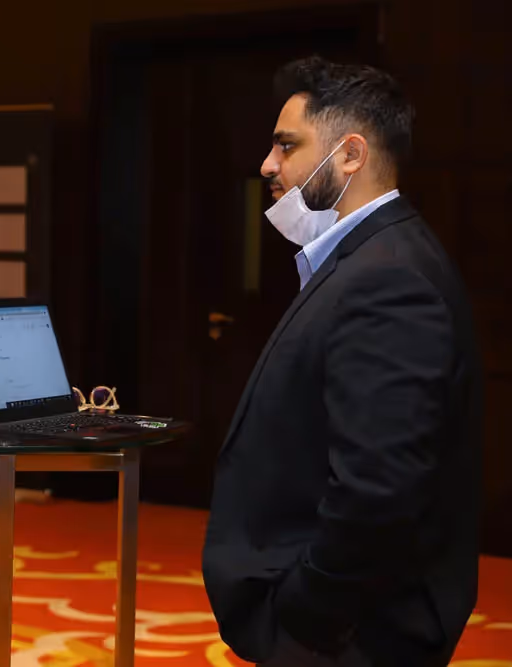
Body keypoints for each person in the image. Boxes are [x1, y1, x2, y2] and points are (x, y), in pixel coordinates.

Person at [202, 56, 482, 666]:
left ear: (349, 154)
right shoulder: (369, 258)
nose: (267, 165)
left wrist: (307, 614)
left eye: (286, 146)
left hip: (355, 634)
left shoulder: (388, 277)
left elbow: (380, 487)